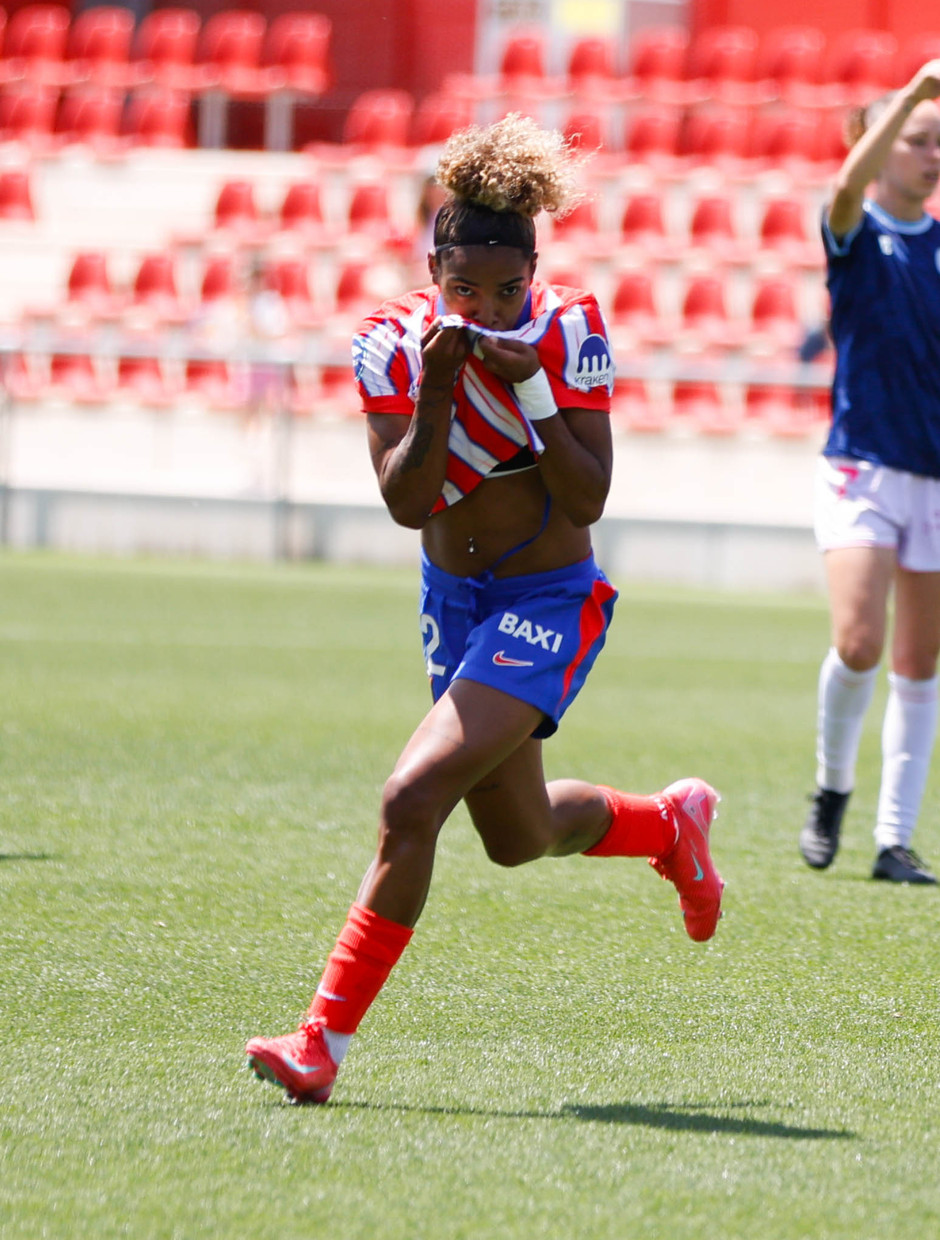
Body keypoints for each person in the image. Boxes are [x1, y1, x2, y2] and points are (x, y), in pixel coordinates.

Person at [245, 115, 724, 1105]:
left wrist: (532, 388)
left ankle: (319, 1042)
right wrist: (440, 384)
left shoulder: (570, 327)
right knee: (516, 834)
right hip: (453, 602)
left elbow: (588, 496)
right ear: (432, 268)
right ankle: (669, 824)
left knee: (408, 801)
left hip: (551, 597)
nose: (489, 309)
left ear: (535, 270)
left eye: (507, 291)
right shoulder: (388, 344)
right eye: (465, 290)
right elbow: (406, 503)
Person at [799, 61, 940, 885]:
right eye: (920, 142)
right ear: (882, 148)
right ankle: (831, 789)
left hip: (933, 478)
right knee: (859, 643)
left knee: (920, 665)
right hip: (861, 467)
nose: (932, 155)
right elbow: (845, 189)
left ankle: (895, 840)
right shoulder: (856, 230)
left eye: (938, 143)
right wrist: (912, 97)